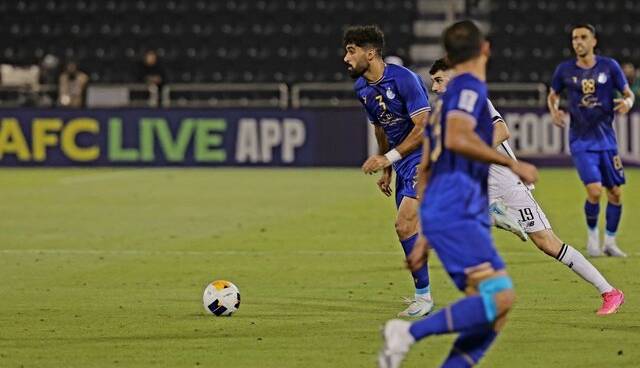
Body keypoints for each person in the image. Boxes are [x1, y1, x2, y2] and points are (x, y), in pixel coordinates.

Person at [378, 20, 538, 368]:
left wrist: (423, 236)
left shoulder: (444, 106)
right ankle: (406, 334)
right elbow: (459, 139)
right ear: (486, 49)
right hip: (455, 211)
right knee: (498, 298)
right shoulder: (468, 90)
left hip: (446, 211)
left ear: (449, 55)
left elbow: (426, 166)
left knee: (494, 311)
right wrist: (512, 164)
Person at [430, 58, 624, 315]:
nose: (434, 87)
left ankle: (610, 291)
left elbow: (502, 129)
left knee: (547, 243)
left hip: (507, 184)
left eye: (438, 80)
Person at [343, 25, 433, 317]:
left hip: (426, 155)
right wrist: (388, 167)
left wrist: (387, 158)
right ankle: (424, 293)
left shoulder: (405, 79)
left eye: (351, 51)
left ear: (370, 53)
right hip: (402, 161)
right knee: (411, 230)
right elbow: (380, 126)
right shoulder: (362, 88)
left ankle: (424, 298)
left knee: (404, 224)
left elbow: (423, 128)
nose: (346, 58)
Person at [547, 24, 635, 257]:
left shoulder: (610, 66)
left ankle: (610, 242)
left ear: (594, 41)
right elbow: (553, 95)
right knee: (595, 191)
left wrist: (628, 103)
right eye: (575, 38)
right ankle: (592, 238)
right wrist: (554, 110)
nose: (578, 42)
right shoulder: (564, 70)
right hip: (581, 141)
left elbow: (629, 94)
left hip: (607, 141)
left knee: (615, 193)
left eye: (583, 37)